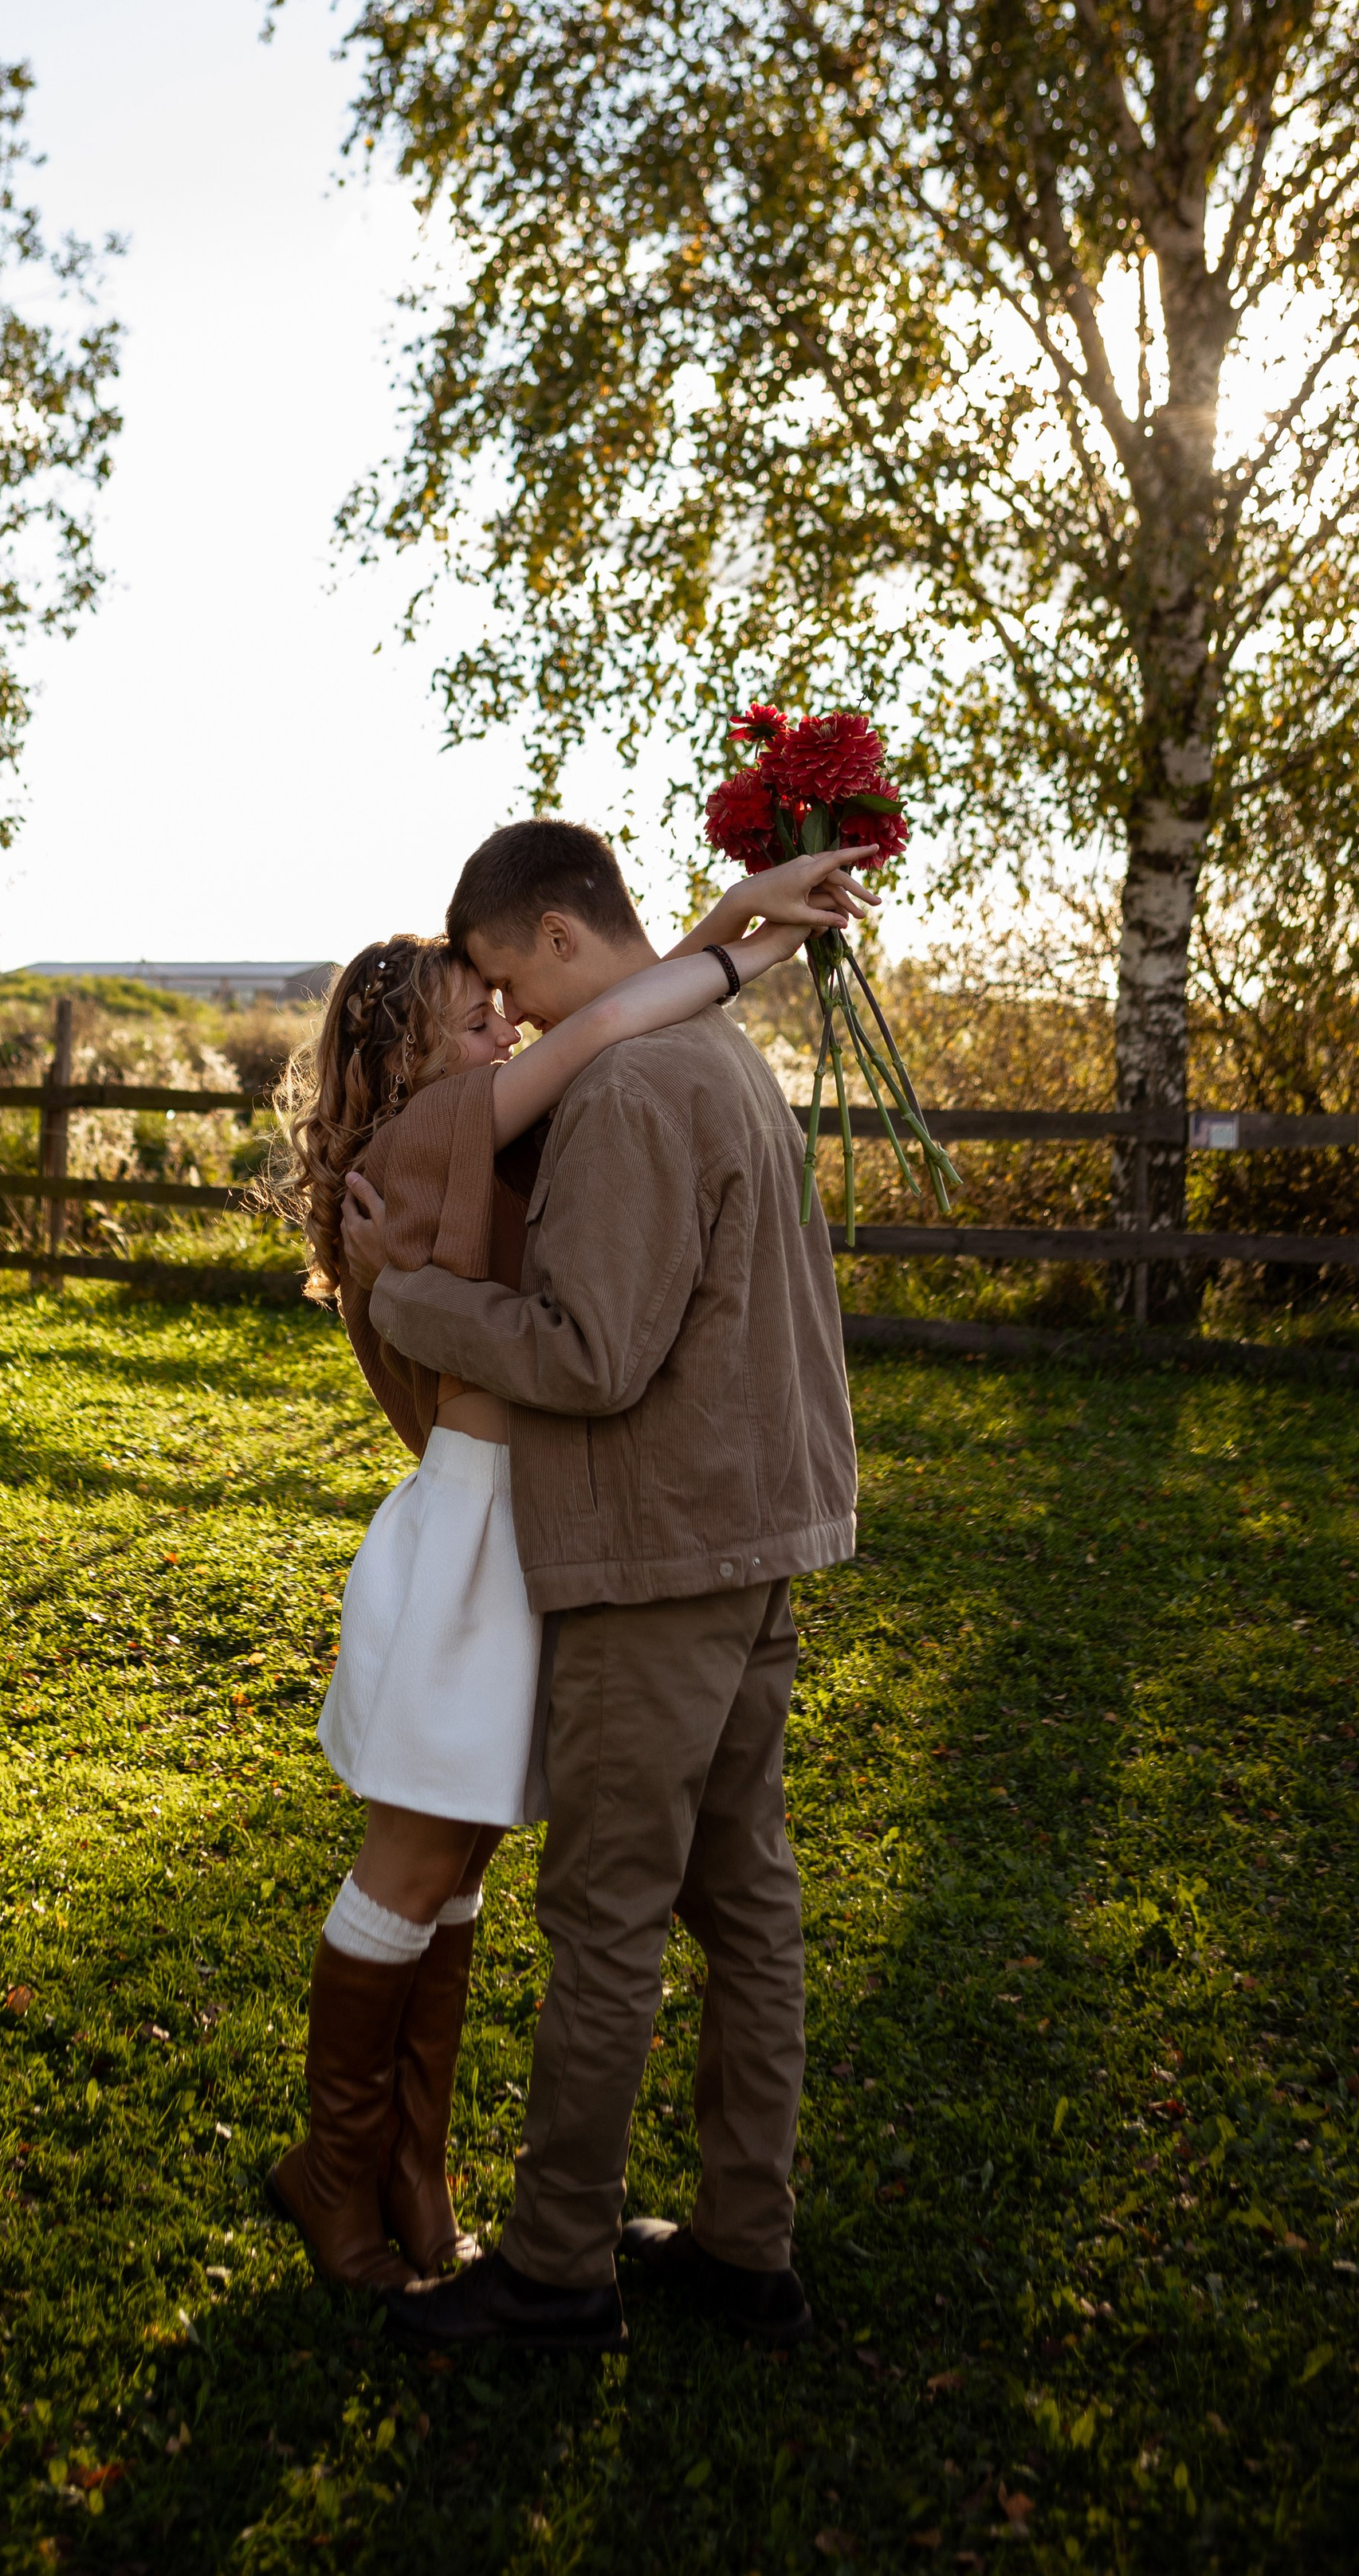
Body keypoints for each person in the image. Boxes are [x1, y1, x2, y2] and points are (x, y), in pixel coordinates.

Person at [262, 839, 874, 2299]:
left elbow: (608, 1015)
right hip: (516, 1534)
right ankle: (358, 2170)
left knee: (520, 1880)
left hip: (603, 1537)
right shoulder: (508, 1112)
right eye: (470, 1012)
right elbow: (604, 1006)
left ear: (543, 936)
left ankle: (460, 2203)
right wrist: (732, 947)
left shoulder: (612, 1084)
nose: (506, 1021)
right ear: (414, 1054)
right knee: (468, 1868)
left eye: (502, 992)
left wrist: (734, 932)